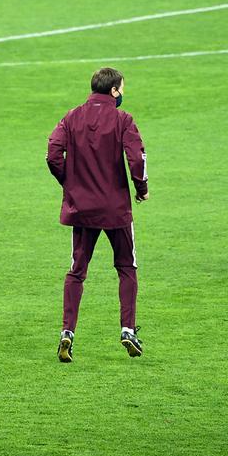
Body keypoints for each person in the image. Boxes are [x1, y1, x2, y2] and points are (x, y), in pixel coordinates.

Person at [46, 67, 148, 362]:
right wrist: (141, 188)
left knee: (77, 271)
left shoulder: (72, 116)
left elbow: (52, 153)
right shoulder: (122, 119)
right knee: (127, 267)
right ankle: (128, 329)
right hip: (116, 208)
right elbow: (136, 158)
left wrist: (70, 182)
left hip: (83, 208)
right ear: (114, 90)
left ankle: (68, 332)